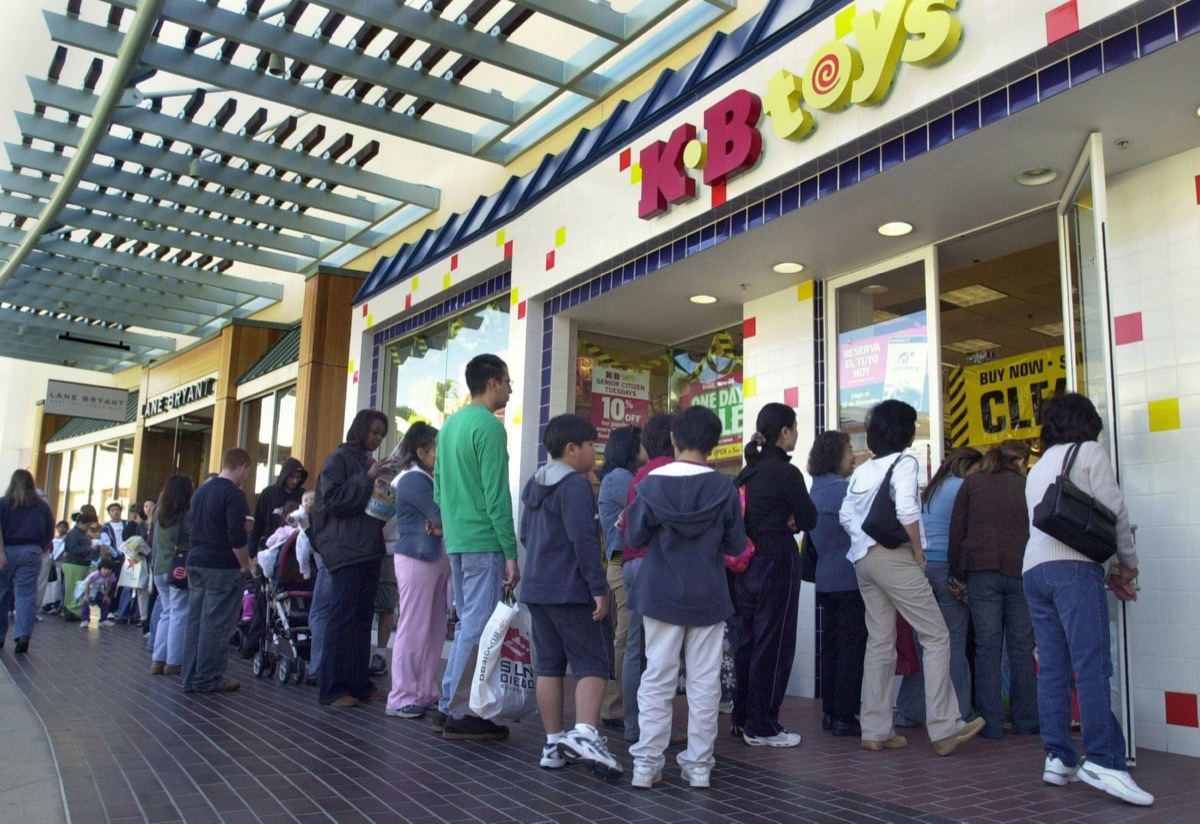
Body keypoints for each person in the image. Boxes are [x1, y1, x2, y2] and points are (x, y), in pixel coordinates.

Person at [1023, 393, 1152, 806]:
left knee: (1053, 669)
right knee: (1092, 666)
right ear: (1087, 423)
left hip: (1034, 572)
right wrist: (1125, 566)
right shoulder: (1090, 452)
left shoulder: (1037, 466)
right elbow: (1117, 514)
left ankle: (1058, 758)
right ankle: (1103, 760)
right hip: (1073, 570)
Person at [839, 399, 985, 755]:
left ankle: (874, 728)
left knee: (880, 642)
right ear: (905, 432)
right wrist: (918, 550)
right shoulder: (905, 463)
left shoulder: (863, 470)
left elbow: (845, 514)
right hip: (895, 559)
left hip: (863, 561)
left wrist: (863, 544)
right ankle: (945, 726)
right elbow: (906, 507)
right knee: (935, 635)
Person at [625, 406, 746, 790]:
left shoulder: (650, 484)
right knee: (705, 683)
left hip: (660, 594)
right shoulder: (725, 487)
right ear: (714, 444)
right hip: (709, 594)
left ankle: (646, 764)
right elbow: (737, 544)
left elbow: (633, 539)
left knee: (657, 678)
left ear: (674, 439)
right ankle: (698, 767)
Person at [519, 414, 623, 777]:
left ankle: (553, 743)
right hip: (570, 589)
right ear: (572, 449)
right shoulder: (575, 486)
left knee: (548, 665)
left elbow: (524, 537)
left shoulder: (534, 484)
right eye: (591, 446)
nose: (594, 454)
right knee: (593, 661)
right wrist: (598, 590)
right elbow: (585, 541)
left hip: (536, 589)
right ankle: (586, 734)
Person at [433, 353, 519, 740]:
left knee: (468, 621)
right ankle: (459, 709)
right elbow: (497, 497)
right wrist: (511, 552)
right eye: (507, 382)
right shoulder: (489, 427)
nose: (511, 389)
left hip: (456, 536)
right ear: (492, 383)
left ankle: (448, 702)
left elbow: (437, 487)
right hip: (484, 539)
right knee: (478, 625)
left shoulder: (449, 426)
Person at [731, 403, 817, 748]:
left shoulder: (746, 473)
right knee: (775, 643)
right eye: (794, 428)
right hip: (777, 560)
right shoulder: (787, 474)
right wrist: (792, 519)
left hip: (746, 564)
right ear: (784, 431)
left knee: (749, 642)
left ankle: (742, 717)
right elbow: (810, 518)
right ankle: (763, 724)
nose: (795, 434)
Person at [949, 439, 1037, 740]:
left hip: (982, 572)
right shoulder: (1026, 485)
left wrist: (956, 574)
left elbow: (957, 531)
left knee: (987, 648)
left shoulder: (972, 484)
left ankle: (991, 722)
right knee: (1021, 648)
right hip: (1021, 570)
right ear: (1019, 462)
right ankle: (1026, 721)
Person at [893, 447, 983, 729]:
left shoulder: (934, 488)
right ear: (967, 467)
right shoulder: (961, 488)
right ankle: (959, 713)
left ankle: (910, 710)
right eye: (977, 471)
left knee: (927, 644)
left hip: (923, 568)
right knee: (953, 642)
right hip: (947, 569)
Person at [313, 409, 393, 707]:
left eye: (381, 435)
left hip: (368, 547)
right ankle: (333, 688)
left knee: (362, 618)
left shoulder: (363, 461)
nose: (377, 438)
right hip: (347, 550)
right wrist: (368, 478)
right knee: (342, 618)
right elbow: (334, 500)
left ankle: (359, 684)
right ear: (360, 429)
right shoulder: (340, 459)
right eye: (374, 432)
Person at [383, 422, 450, 719]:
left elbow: (441, 518)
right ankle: (401, 696)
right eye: (438, 449)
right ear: (421, 452)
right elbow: (440, 514)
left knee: (434, 628)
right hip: (416, 559)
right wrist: (439, 522)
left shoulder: (429, 478)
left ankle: (425, 691)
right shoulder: (412, 479)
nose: (442, 454)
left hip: (432, 560)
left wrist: (440, 523)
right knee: (413, 628)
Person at [619, 413, 675, 742]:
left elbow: (628, 526)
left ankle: (633, 726)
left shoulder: (639, 474)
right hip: (657, 563)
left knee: (634, 648)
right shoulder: (675, 470)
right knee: (661, 650)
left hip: (630, 563)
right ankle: (656, 730)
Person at [807, 430, 866, 737]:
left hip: (825, 577)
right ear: (835, 456)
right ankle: (844, 714)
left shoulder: (814, 491)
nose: (853, 457)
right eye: (848, 451)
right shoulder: (845, 491)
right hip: (849, 576)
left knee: (830, 646)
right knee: (851, 648)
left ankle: (831, 711)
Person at [181, 447, 254, 694]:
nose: (247, 476)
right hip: (221, 565)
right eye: (248, 470)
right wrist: (246, 564)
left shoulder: (201, 491)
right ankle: (209, 678)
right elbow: (236, 534)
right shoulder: (234, 495)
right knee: (217, 623)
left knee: (196, 621)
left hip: (196, 560)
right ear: (242, 465)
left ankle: (190, 677)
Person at [596, 425, 645, 732]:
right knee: (627, 638)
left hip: (619, 562)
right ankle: (619, 709)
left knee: (625, 637)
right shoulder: (620, 479)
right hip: (621, 561)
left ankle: (615, 705)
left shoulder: (616, 478)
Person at [244, 458, 308, 656]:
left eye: (298, 477)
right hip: (269, 553)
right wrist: (254, 553)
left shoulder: (303, 496)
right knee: (263, 602)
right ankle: (254, 644)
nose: (295, 481)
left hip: (293, 556)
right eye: (292, 476)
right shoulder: (269, 494)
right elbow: (257, 527)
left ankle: (293, 644)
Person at [0, 469, 56, 653]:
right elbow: (50, 531)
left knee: (2, 593)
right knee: (26, 594)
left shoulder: (4, 504)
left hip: (6, 551)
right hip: (32, 551)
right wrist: (39, 546)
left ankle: (0, 636)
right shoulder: (42, 506)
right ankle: (23, 635)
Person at [150, 475, 193, 677]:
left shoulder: (159, 514)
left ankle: (158, 659)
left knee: (166, 613)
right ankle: (174, 661)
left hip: (160, 567)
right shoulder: (185, 515)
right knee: (179, 613)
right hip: (178, 569)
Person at [60, 512, 100, 621]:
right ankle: (72, 611)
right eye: (87, 526)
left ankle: (75, 611)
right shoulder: (73, 534)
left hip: (81, 564)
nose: (88, 528)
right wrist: (90, 548)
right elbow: (73, 549)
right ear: (80, 523)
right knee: (74, 589)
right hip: (73, 563)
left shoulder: (82, 534)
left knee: (79, 588)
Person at [79, 557, 120, 627]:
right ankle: (84, 620)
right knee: (86, 602)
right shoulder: (96, 574)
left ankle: (103, 620)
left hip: (97, 589)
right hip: (87, 589)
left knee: (105, 601)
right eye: (104, 569)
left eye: (109, 569)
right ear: (100, 568)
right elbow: (88, 584)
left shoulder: (111, 576)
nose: (106, 571)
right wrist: (86, 595)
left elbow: (109, 585)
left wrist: (105, 596)